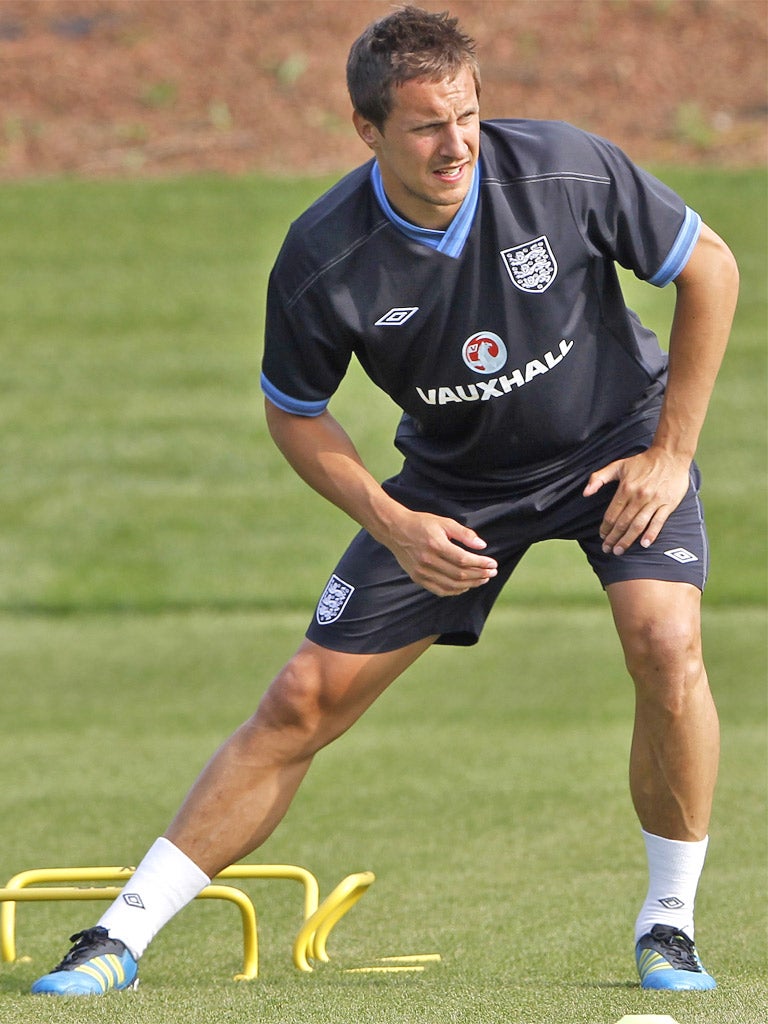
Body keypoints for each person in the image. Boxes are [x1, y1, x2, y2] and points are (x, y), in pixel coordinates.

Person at [31, 5, 738, 997]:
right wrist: (392, 522)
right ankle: (116, 936)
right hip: (453, 489)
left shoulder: (566, 170)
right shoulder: (324, 255)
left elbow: (711, 265)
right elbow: (296, 413)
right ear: (368, 131)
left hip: (615, 449)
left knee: (665, 640)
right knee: (300, 700)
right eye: (425, 126)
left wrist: (672, 451)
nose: (457, 144)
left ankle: (669, 923)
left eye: (468, 116)